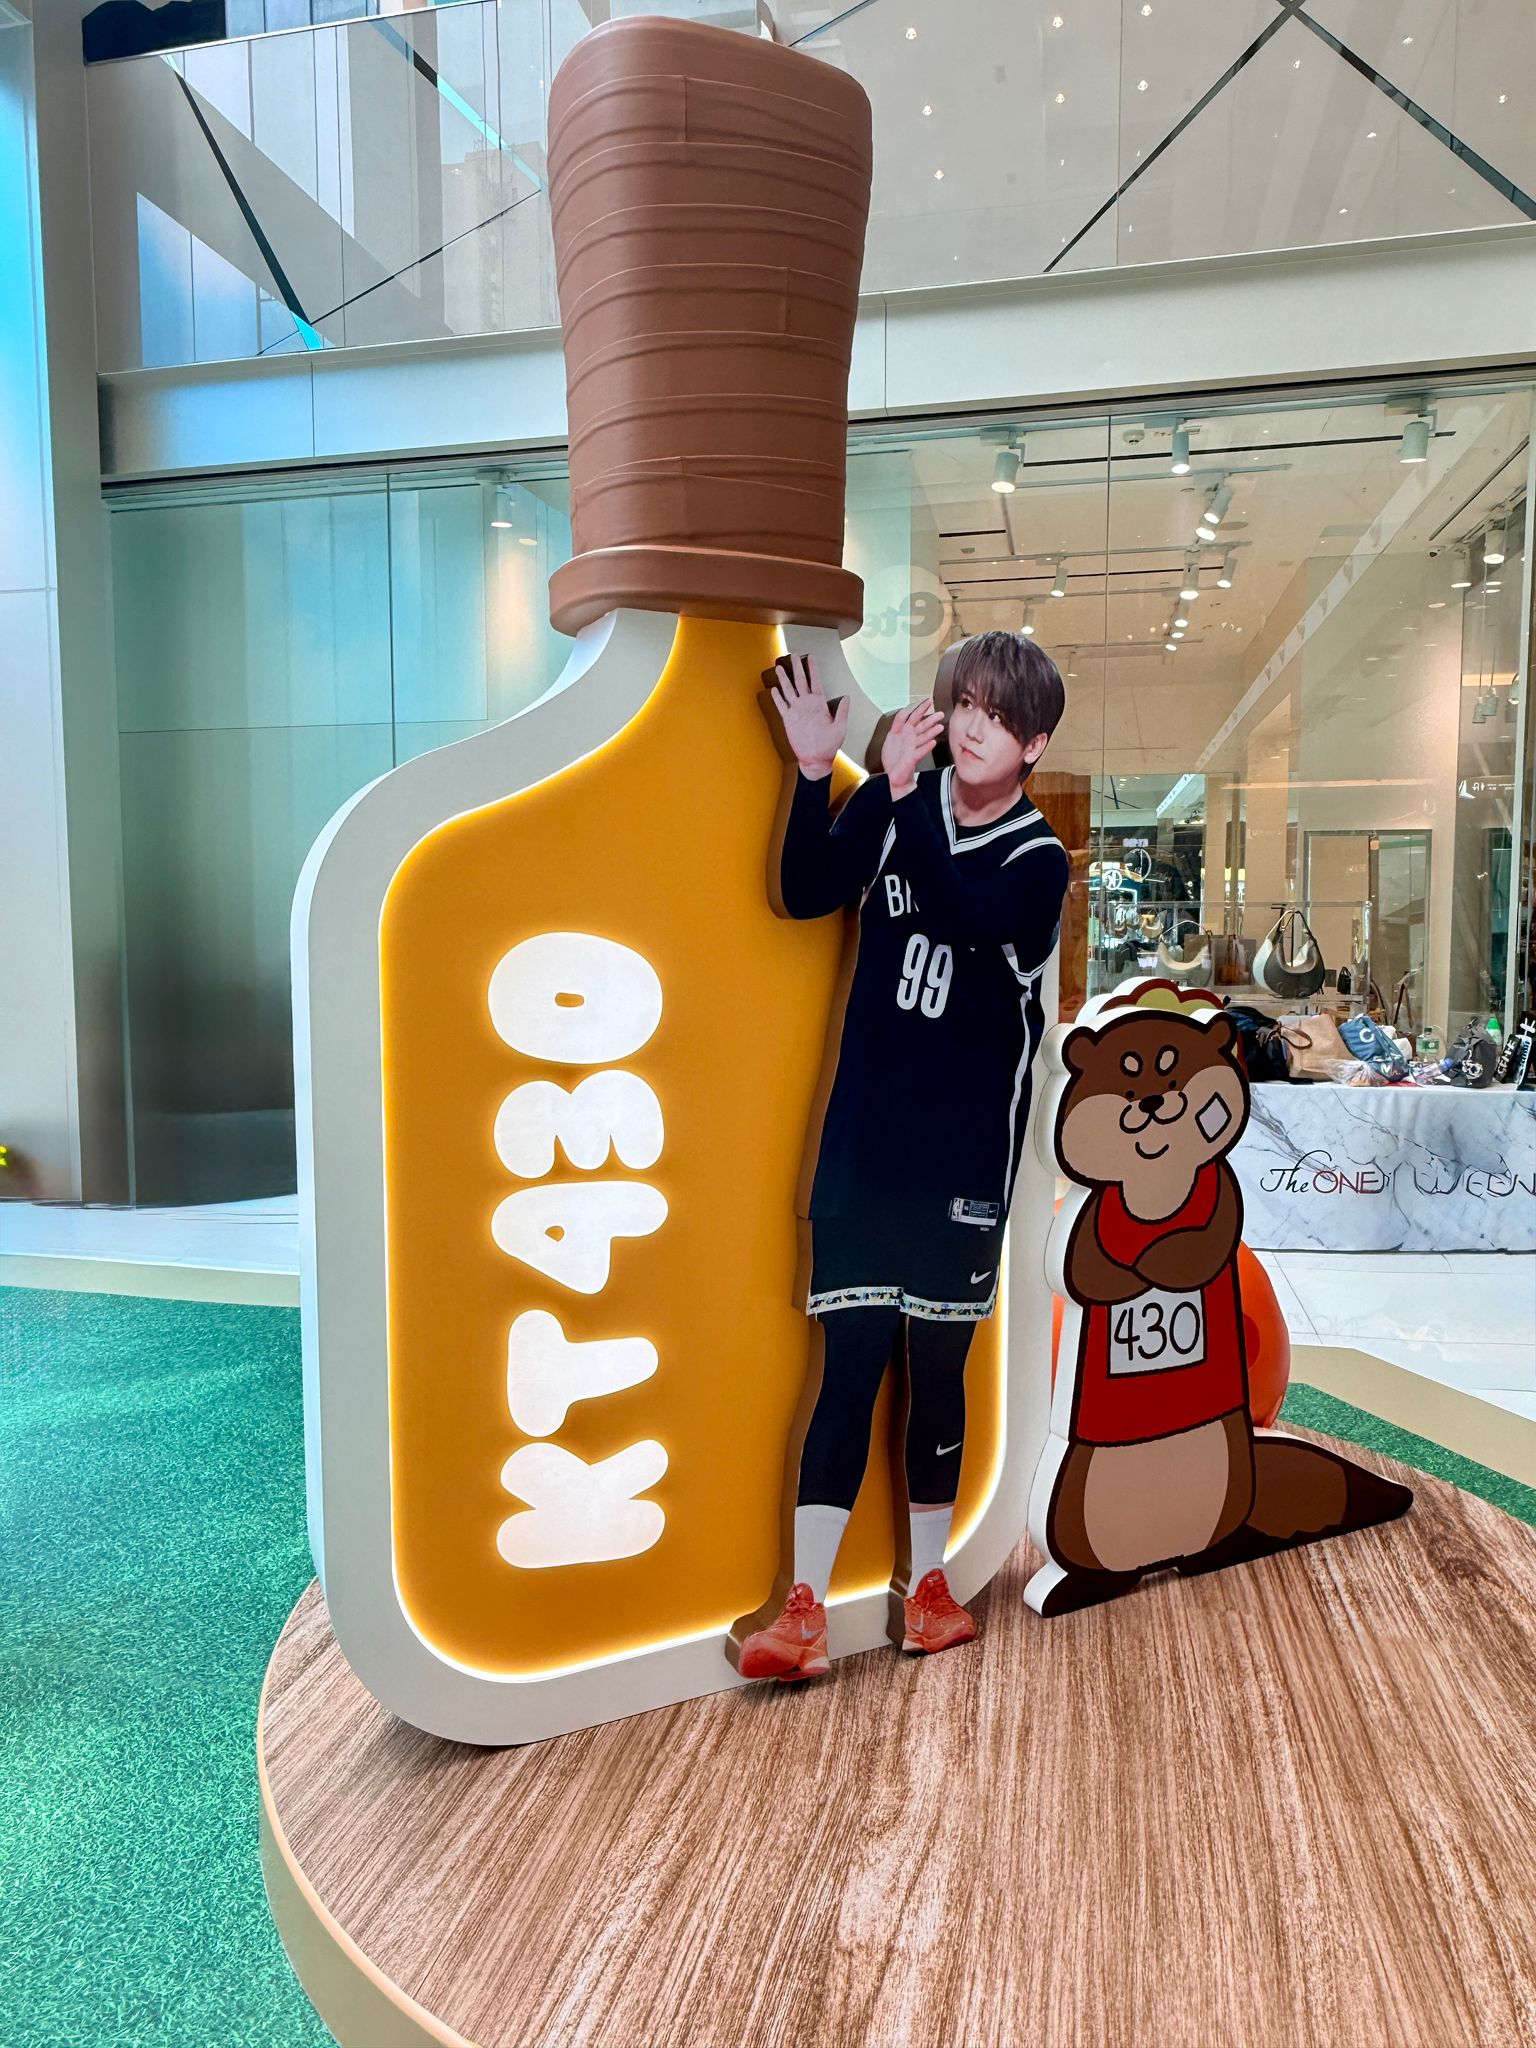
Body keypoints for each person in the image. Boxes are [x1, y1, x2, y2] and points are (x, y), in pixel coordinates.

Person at [738, 632, 1070, 1681]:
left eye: (999, 718)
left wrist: (893, 789)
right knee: (846, 1373)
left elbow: (965, 914)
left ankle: (929, 1593)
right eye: (964, 704)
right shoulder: (899, 802)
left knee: (937, 1374)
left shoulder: (1039, 859)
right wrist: (815, 775)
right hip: (865, 1152)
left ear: (1034, 743)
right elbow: (805, 887)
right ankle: (801, 1611)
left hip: (961, 1165)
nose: (973, 728)